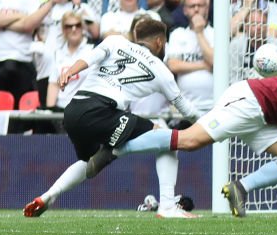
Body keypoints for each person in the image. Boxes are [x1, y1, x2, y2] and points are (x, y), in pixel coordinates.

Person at [86, 72, 277, 218]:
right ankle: (115, 150)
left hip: (262, 117)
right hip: (251, 102)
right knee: (190, 140)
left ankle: (239, 189)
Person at [24, 18, 202, 219]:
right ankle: (167, 206)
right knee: (166, 138)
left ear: (136, 37)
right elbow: (186, 110)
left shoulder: (115, 41)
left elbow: (89, 58)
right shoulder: (161, 71)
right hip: (102, 111)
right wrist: (210, 125)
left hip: (74, 111)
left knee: (87, 163)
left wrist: (70, 71)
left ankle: (48, 196)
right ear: (160, 42)